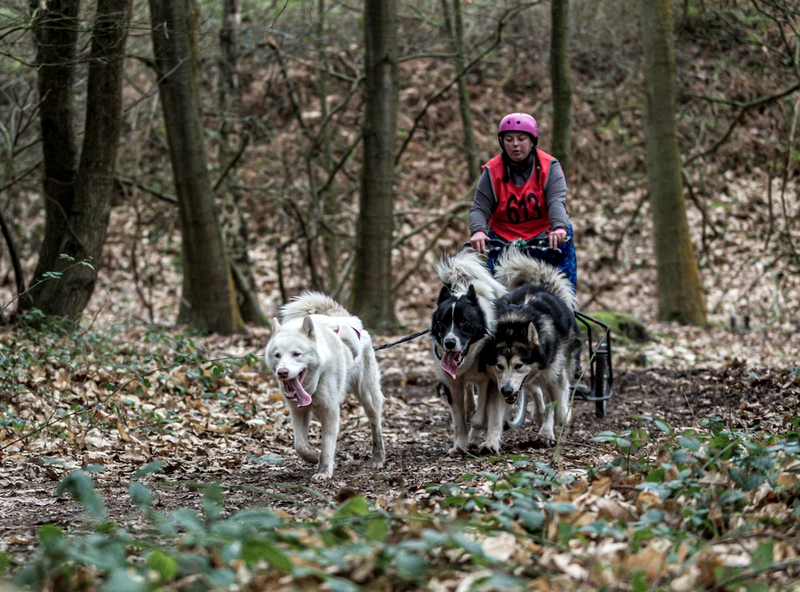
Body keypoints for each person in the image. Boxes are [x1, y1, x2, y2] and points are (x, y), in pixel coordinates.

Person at [468, 112, 578, 292]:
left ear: (532, 141)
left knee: (563, 292)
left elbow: (556, 201)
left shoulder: (550, 166)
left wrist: (559, 227)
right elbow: (479, 208)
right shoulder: (492, 171)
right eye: (509, 139)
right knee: (495, 296)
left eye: (521, 139)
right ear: (502, 142)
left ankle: (565, 306)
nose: (515, 144)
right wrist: (478, 231)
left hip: (545, 238)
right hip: (504, 241)